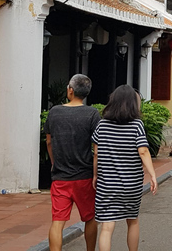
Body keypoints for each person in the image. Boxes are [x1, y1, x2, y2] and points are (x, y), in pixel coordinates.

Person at [92, 84, 158, 251]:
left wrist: (95, 176)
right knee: (133, 220)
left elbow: (96, 154)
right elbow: (143, 151)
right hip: (131, 185)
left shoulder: (102, 125)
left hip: (107, 184)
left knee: (107, 227)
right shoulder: (136, 125)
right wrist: (152, 174)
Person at [44, 74, 102, 251]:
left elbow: (49, 142)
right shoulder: (92, 114)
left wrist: (54, 163)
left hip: (61, 177)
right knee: (90, 218)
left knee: (57, 221)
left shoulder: (54, 112)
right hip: (84, 176)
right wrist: (95, 174)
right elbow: (96, 149)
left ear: (70, 89)